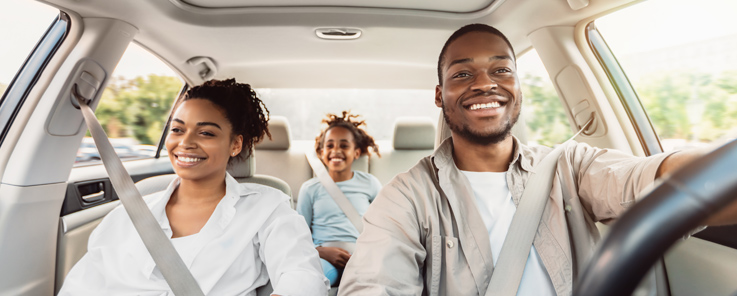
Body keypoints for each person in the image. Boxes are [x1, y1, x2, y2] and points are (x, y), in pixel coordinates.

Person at [338, 24, 737, 296]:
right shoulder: (405, 197)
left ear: (517, 87)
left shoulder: (570, 165)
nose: (484, 83)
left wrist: (715, 170)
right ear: (439, 95)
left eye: (501, 69)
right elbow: (376, 282)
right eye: (462, 74)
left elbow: (645, 177)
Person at [60, 79, 329, 295]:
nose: (185, 142)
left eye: (206, 133)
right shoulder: (129, 212)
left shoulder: (267, 207)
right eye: (177, 130)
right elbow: (82, 285)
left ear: (235, 144)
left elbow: (304, 276)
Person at [296, 111, 383, 287]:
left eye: (344, 146)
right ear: (321, 152)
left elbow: (383, 229)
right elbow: (298, 236)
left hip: (362, 257)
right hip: (324, 257)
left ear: (356, 152)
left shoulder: (370, 184)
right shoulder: (310, 188)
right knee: (311, 280)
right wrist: (320, 252)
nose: (336, 151)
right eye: (330, 146)